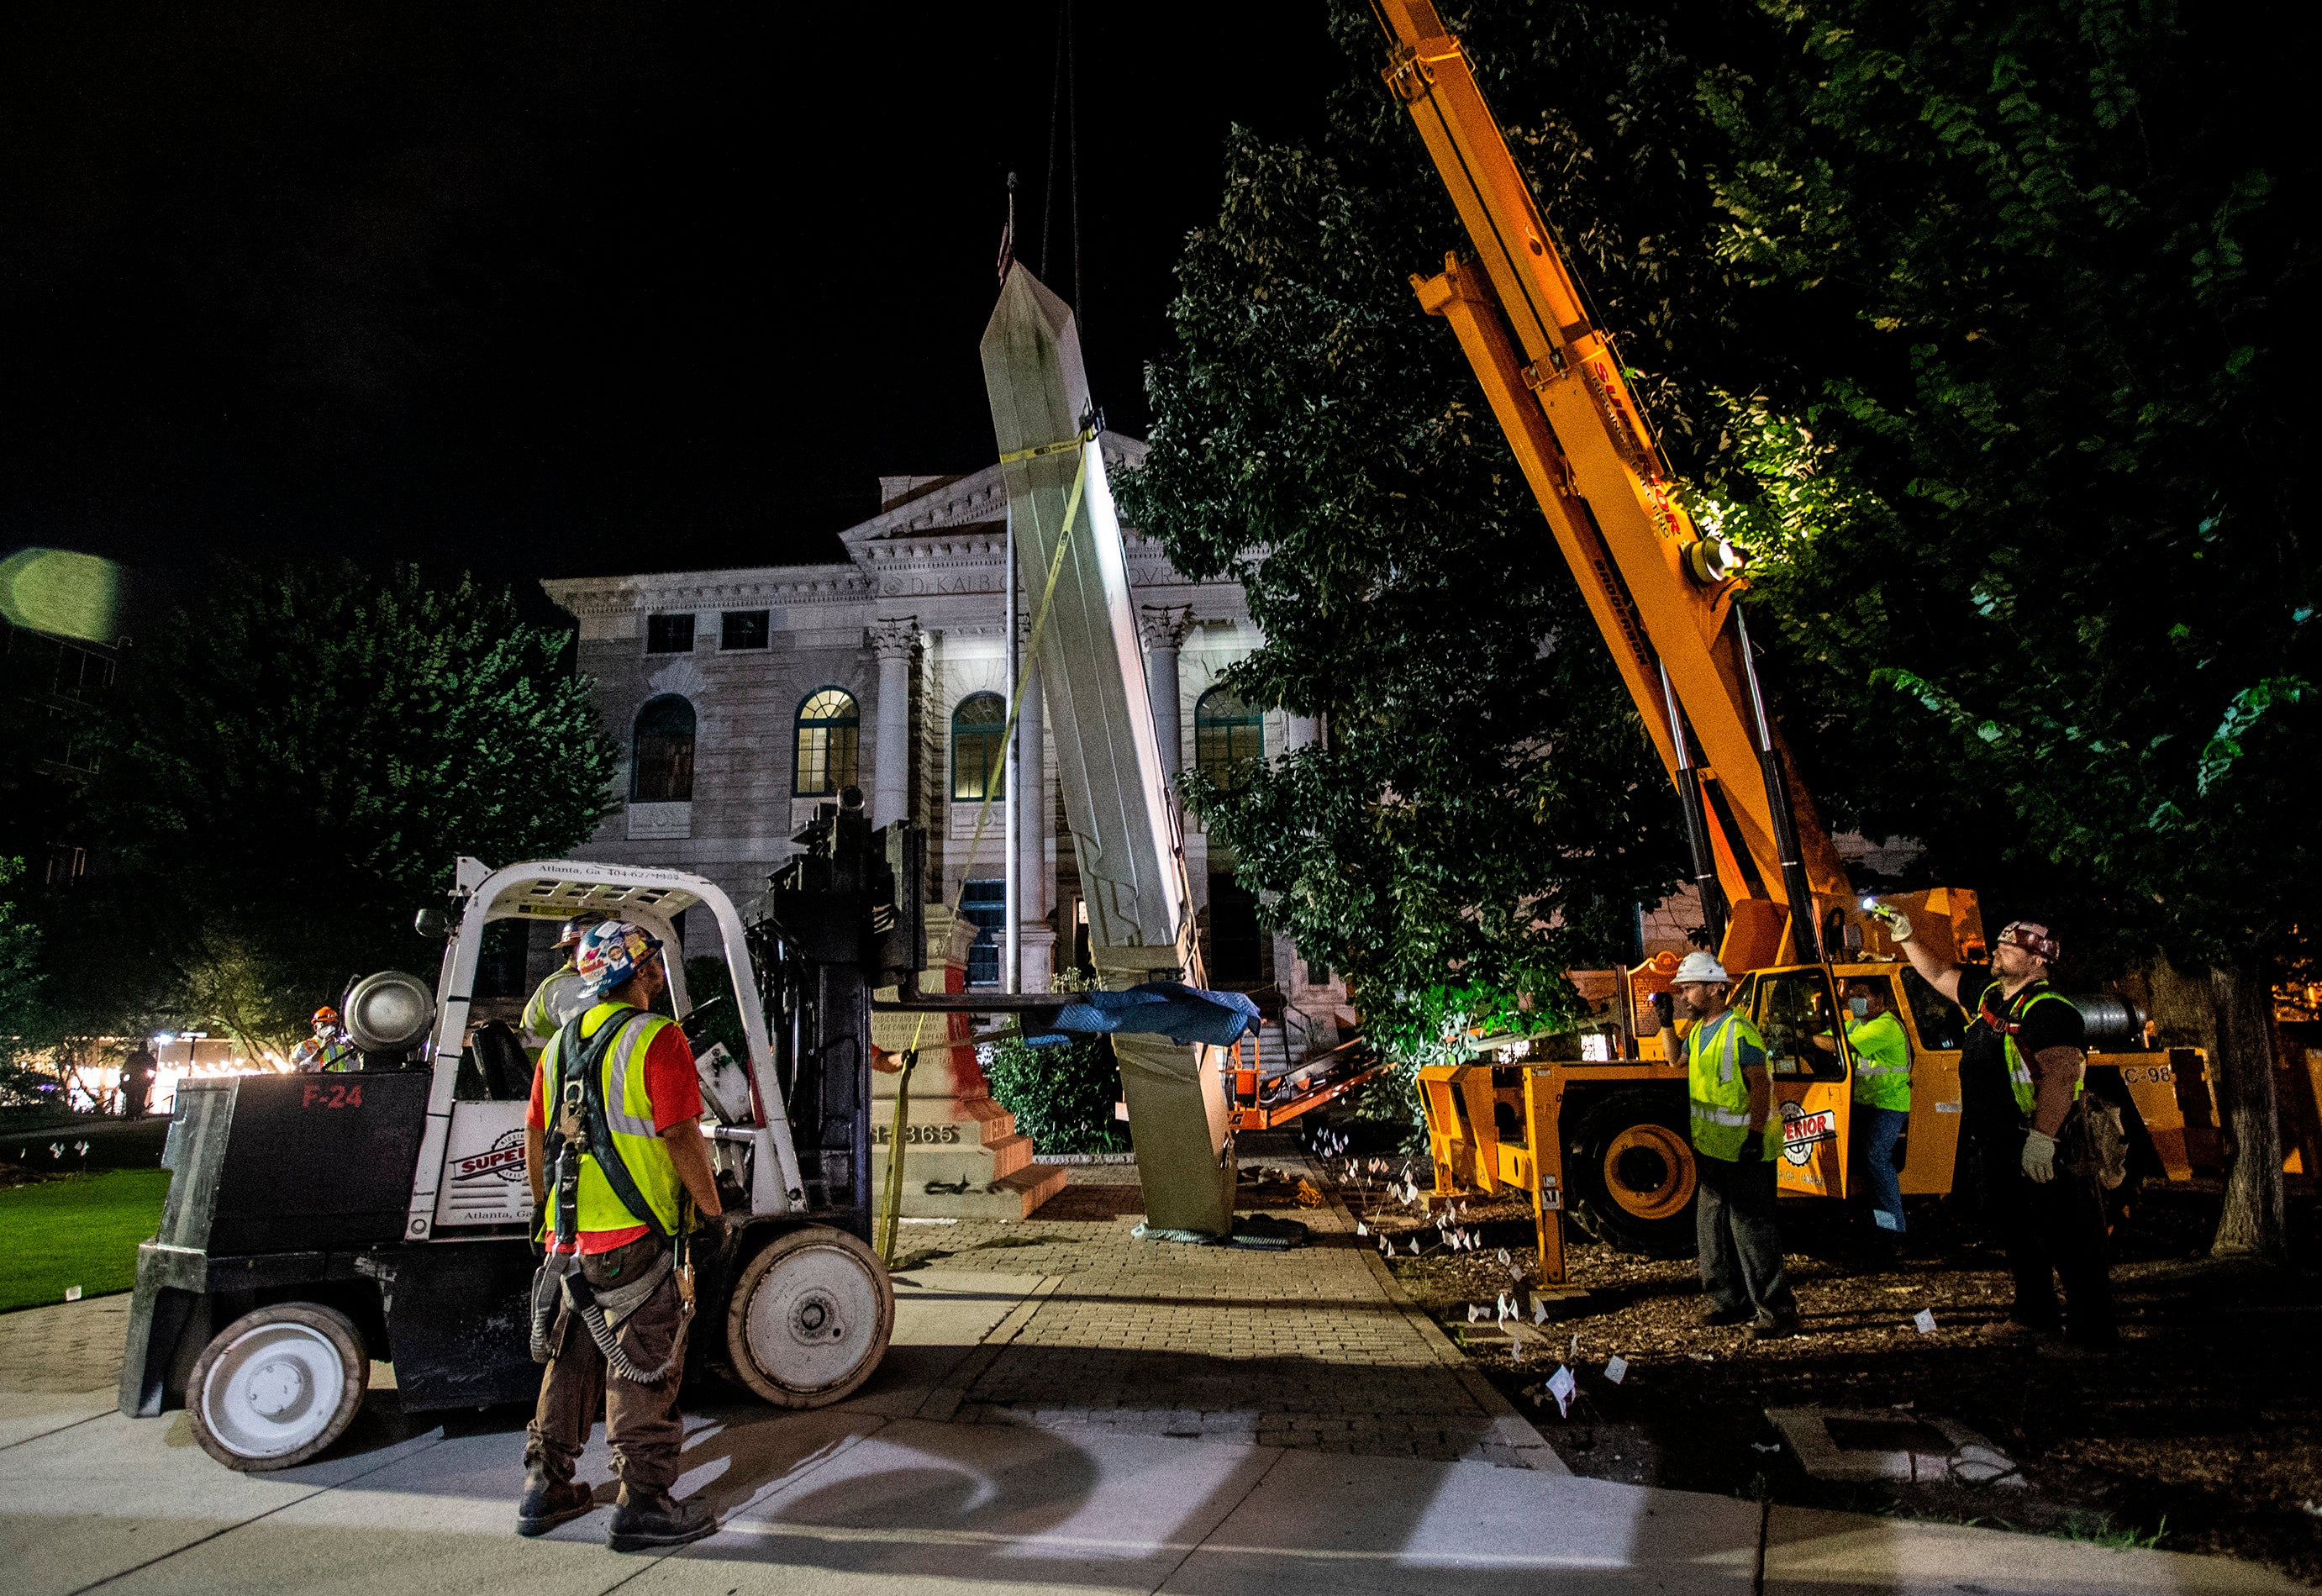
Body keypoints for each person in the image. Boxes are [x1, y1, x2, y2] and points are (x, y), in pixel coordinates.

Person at [519, 919, 724, 1550]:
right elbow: (679, 1134)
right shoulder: (657, 1038)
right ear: (634, 972)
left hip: (570, 1237)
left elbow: (535, 1134)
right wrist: (711, 1211)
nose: (658, 974)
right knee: (641, 1364)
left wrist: (550, 1215)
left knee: (571, 1356)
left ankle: (544, 1485)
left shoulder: (558, 1047)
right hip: (638, 1236)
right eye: (652, 964)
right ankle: (643, 1501)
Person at [1874, 906, 2111, 1346]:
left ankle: (2093, 1334)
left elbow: (2061, 1075)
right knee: (2020, 1234)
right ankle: (2034, 1316)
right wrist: (1906, 938)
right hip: (2000, 1141)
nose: (1998, 951)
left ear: (2038, 961)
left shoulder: (2049, 1010)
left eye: (2011, 947)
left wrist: (2042, 1139)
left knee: (2068, 1238)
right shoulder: (1991, 998)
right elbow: (1940, 975)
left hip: (2041, 1142)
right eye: (2000, 943)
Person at [1676, 951, 1801, 1340]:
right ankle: (1727, 1302)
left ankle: (1777, 1312)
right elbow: (1674, 1062)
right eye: (1681, 988)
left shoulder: (1740, 1030)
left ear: (1716, 988)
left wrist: (1755, 1136)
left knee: (1751, 1230)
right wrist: (1666, 1023)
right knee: (1711, 1227)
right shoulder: (1697, 1031)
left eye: (1690, 987)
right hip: (1715, 1149)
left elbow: (1760, 1085)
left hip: (1746, 1149)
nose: (1684, 995)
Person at [1838, 979, 1913, 1245]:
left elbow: (1840, 1045)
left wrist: (1821, 1040)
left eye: (1862, 995)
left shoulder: (1885, 1026)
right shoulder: (1859, 1024)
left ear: (1880, 1000)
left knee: (1876, 1158)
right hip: (1865, 1103)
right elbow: (1832, 1035)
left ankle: (1893, 1229)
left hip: (1888, 1105)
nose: (1854, 1000)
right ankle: (1868, 1222)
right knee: (1859, 1161)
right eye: (1851, 995)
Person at [523, 914, 607, 1058]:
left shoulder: (562, 981)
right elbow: (590, 1044)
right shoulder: (573, 987)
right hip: (549, 1076)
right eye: (601, 947)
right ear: (578, 950)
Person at [288, 1007, 356, 1072]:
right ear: (315, 1027)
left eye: (333, 1024)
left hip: (338, 1084)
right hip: (314, 1084)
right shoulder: (304, 1047)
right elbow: (298, 1071)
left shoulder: (342, 1047)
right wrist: (321, 1050)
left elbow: (352, 1071)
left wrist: (353, 1056)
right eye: (324, 1024)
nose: (330, 1027)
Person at [118, 1042, 156, 1119]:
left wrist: (123, 1081)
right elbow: (154, 1070)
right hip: (142, 1081)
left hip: (134, 1080)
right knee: (139, 1098)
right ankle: (137, 1114)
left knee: (131, 1098)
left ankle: (130, 1115)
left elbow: (125, 1069)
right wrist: (150, 1080)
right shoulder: (148, 1057)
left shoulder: (134, 1056)